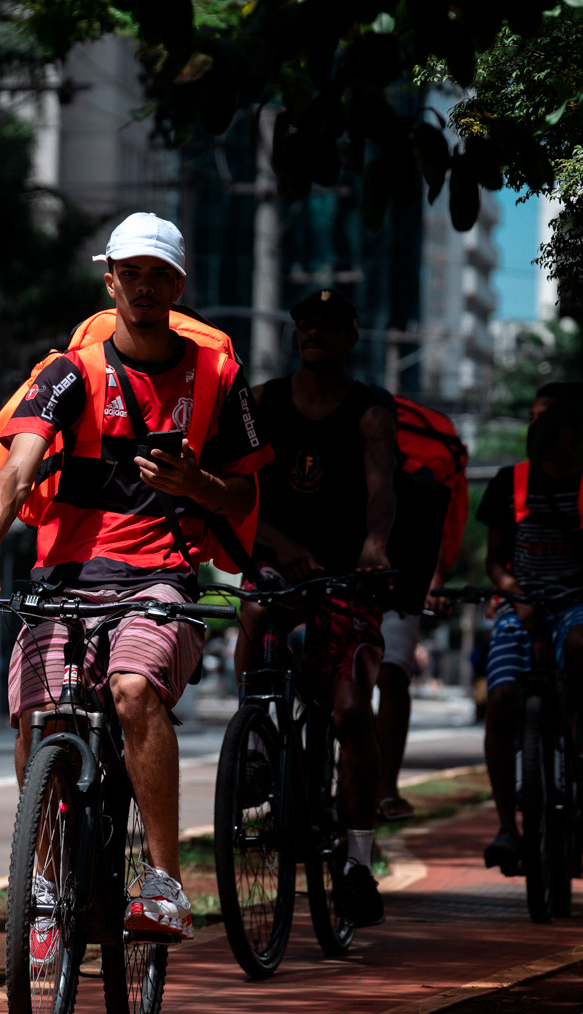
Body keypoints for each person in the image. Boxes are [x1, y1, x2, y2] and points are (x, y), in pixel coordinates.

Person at [0, 212, 269, 942]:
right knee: (39, 715)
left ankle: (164, 884)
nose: (144, 287)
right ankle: (45, 885)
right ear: (110, 281)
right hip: (64, 578)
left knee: (132, 689)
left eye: (159, 275)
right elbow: (15, 472)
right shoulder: (70, 373)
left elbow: (245, 497)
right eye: (131, 273)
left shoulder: (218, 377)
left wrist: (198, 485)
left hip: (160, 578)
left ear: (178, 286)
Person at [240, 289, 398, 927]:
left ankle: (358, 863)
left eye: (328, 326)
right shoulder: (263, 402)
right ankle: (255, 742)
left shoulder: (369, 409)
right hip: (276, 562)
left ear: (351, 337)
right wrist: (279, 543)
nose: (314, 333)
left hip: (345, 574)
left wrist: (375, 545)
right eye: (305, 324)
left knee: (352, 710)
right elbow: (234, 489)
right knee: (255, 612)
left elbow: (383, 487)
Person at [479, 384, 583, 874]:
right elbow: (494, 561)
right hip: (522, 605)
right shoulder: (508, 482)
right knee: (501, 698)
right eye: (533, 418)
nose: (540, 427)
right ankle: (507, 827)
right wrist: (513, 591)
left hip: (580, 602)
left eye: (549, 419)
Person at [374, 398, 469, 823]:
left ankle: (386, 789)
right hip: (340, 576)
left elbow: (436, 533)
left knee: (393, 675)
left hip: (398, 581)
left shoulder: (420, 482)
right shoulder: (338, 461)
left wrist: (435, 581)